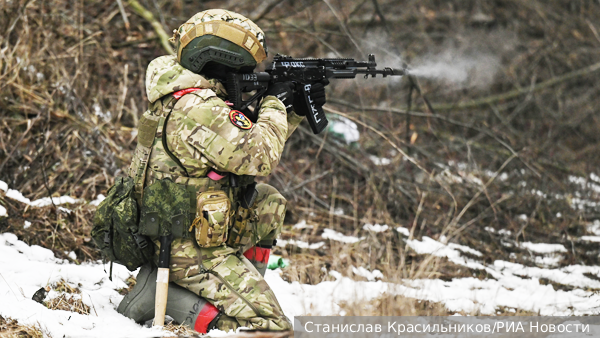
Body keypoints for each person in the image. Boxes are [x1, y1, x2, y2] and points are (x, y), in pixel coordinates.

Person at [116, 9, 325, 333]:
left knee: (266, 202)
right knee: (272, 326)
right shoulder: (199, 108)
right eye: (244, 66)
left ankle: (236, 289)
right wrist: (272, 101)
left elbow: (245, 154)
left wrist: (292, 109)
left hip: (194, 230)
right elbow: (260, 157)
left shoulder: (192, 98)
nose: (249, 71)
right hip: (186, 248)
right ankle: (169, 296)